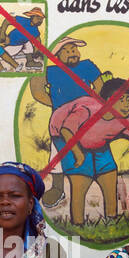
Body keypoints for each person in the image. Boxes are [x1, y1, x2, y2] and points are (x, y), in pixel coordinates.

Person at [48, 78, 129, 226]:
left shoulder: (121, 122)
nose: (127, 104)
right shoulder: (87, 110)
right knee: (81, 177)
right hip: (65, 137)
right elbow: (66, 130)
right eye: (122, 99)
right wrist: (78, 153)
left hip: (96, 142)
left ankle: (111, 220)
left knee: (108, 173)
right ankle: (78, 223)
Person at [30, 37, 104, 207]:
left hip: (87, 116)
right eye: (68, 50)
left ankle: (101, 183)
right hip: (60, 120)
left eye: (74, 50)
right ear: (56, 55)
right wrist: (59, 106)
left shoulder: (87, 65)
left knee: (97, 149)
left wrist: (91, 105)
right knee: (57, 153)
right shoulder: (52, 71)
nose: (73, 53)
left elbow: (99, 86)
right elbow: (37, 89)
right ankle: (57, 188)